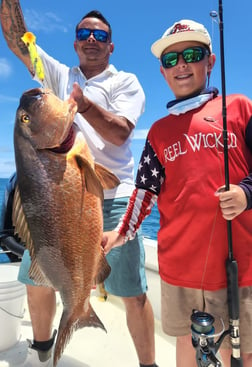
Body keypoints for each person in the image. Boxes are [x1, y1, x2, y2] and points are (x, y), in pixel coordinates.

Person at [0, 3, 158, 367]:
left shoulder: (125, 82)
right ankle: (42, 350)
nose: (91, 39)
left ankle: (148, 363)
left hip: (115, 197)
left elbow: (121, 134)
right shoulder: (57, 75)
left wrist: (84, 106)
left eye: (99, 34)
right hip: (57, 197)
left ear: (110, 46)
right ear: (74, 43)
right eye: (83, 33)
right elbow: (17, 42)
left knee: (131, 292)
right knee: (34, 277)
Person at [102, 19, 252, 367]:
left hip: (239, 266)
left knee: (241, 351)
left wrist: (246, 193)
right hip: (178, 267)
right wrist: (120, 233)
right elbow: (143, 191)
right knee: (186, 343)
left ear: (210, 62)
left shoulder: (241, 108)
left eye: (191, 54)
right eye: (171, 60)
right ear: (163, 71)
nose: (181, 64)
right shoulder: (157, 131)